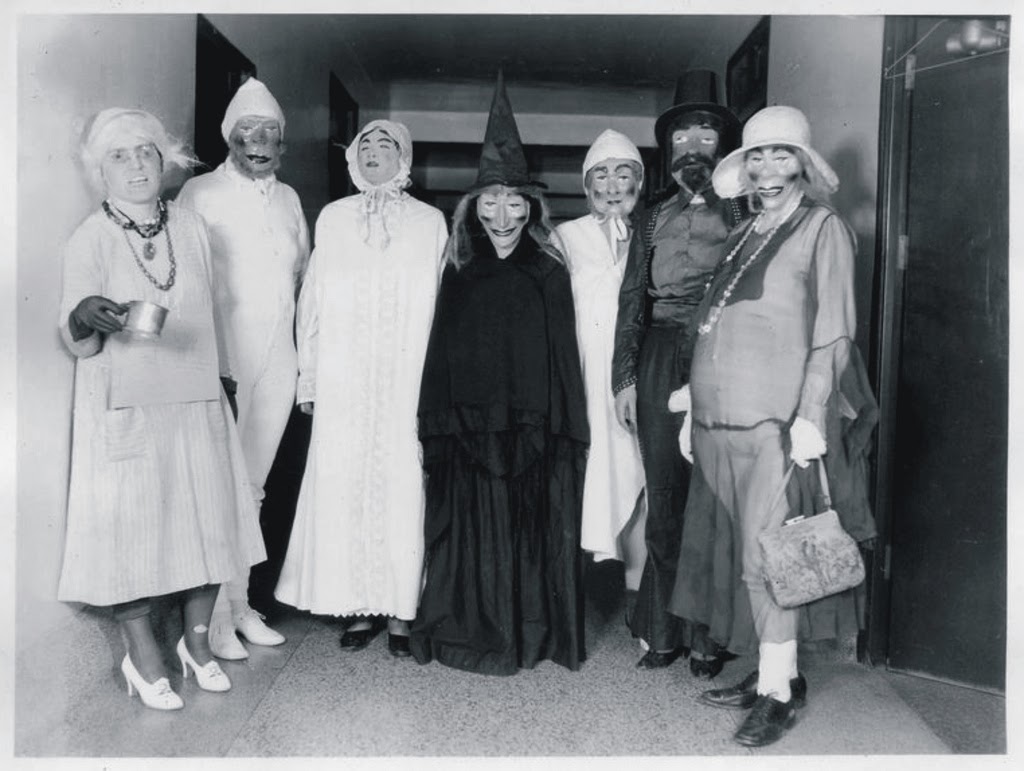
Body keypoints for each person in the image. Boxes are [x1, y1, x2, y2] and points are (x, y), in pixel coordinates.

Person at [667, 105, 878, 747]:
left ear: (803, 165)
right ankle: (770, 672)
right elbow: (714, 320)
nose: (767, 167)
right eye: (756, 156)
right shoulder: (744, 231)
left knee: (771, 557)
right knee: (743, 553)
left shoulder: (823, 228)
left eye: (781, 154)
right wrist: (691, 401)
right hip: (715, 421)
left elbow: (834, 331)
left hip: (773, 425)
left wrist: (812, 413)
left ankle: (780, 695)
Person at [57, 108, 266, 709]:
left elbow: (212, 310)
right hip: (124, 404)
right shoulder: (90, 236)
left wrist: (224, 377)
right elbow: (73, 330)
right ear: (101, 171)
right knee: (131, 530)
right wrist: (85, 314)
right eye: (119, 156)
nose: (135, 166)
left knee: (210, 521)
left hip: (195, 393)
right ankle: (142, 654)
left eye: (145, 152)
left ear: (163, 160)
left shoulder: (193, 225)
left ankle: (196, 644)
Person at [409, 73, 589, 675]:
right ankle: (470, 630)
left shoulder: (549, 269)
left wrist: (564, 429)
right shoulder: (458, 267)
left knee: (529, 534)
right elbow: (440, 350)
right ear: (473, 206)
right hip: (468, 430)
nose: (502, 214)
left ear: (532, 206)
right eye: (490, 201)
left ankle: (529, 635)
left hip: (533, 432)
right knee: (470, 534)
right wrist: (436, 421)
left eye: (515, 201)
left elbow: (563, 357)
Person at [274, 120, 447, 657]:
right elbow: (313, 300)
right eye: (364, 144)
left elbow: (442, 304)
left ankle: (400, 611)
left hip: (406, 380)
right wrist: (310, 377)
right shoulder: (333, 217)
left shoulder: (430, 222)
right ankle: (358, 608)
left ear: (404, 157)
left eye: (385, 144)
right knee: (345, 484)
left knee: (403, 486)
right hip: (344, 379)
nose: (373, 152)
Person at [611, 70, 744, 674]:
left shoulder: (745, 210)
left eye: (705, 136)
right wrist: (625, 380)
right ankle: (664, 632)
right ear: (669, 148)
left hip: (724, 356)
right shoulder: (650, 216)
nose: (693, 147)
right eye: (682, 137)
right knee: (664, 498)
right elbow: (632, 303)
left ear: (723, 145)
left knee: (713, 499)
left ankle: (709, 638)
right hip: (660, 359)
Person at [177, 77, 309, 660]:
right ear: (229, 136)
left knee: (254, 484)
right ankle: (214, 619)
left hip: (279, 354)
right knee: (223, 485)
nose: (258, 141)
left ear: (282, 142)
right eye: (247, 130)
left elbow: (301, 276)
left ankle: (240, 603)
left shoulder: (289, 198)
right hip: (226, 354)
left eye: (269, 132)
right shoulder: (199, 192)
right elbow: (185, 278)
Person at [555, 129, 646, 571]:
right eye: (601, 175)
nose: (612, 186)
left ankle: (637, 588)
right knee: (593, 471)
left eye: (622, 174)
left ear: (638, 182)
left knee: (638, 469)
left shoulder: (652, 233)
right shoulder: (565, 236)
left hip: (636, 373)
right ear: (587, 183)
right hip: (585, 373)